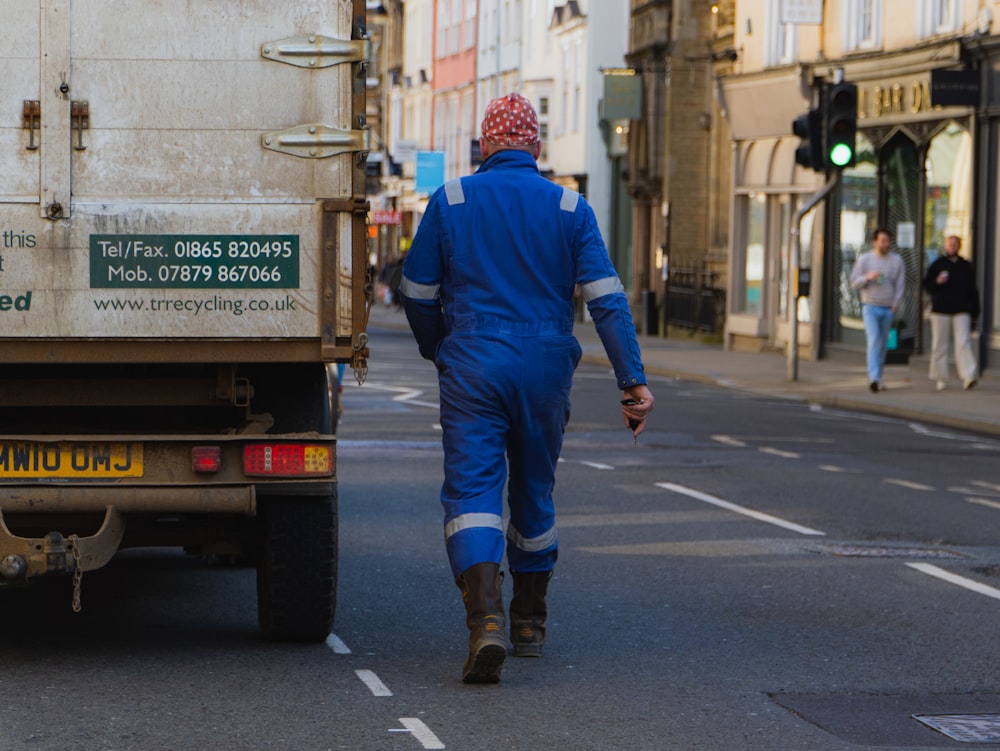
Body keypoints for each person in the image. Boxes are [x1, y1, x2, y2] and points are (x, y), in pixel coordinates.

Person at [399, 92, 654, 684]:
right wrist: (631, 381)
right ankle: (529, 623)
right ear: (535, 147)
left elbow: (415, 292)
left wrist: (438, 345)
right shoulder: (571, 208)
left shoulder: (451, 199)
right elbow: (606, 301)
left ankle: (484, 619)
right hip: (545, 367)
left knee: (472, 489)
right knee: (534, 491)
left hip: (474, 363)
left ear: (485, 146)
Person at [849, 228, 906, 392]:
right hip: (870, 306)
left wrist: (895, 303)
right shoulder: (865, 260)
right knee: (873, 341)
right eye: (882, 241)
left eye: (887, 241)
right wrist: (867, 277)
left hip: (887, 308)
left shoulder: (896, 261)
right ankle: (873, 377)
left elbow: (900, 285)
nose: (885, 244)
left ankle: (878, 378)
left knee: (882, 344)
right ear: (875, 242)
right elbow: (854, 282)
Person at [923, 235, 980, 390]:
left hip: (962, 310)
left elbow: (972, 290)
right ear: (945, 246)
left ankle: (968, 376)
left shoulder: (965, 266)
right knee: (939, 345)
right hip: (940, 310)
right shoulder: (937, 265)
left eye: (955, 244)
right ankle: (941, 378)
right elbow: (927, 286)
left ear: (959, 246)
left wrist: (975, 311)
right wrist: (937, 282)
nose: (952, 247)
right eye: (949, 244)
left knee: (963, 343)